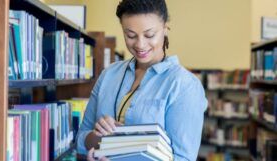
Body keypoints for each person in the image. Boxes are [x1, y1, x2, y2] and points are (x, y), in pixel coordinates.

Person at [77, 0, 208, 160]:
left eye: (149, 35)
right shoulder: (109, 74)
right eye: (130, 35)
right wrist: (98, 136)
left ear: (165, 29)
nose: (140, 44)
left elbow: (183, 158)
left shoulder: (184, 85)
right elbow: (81, 139)